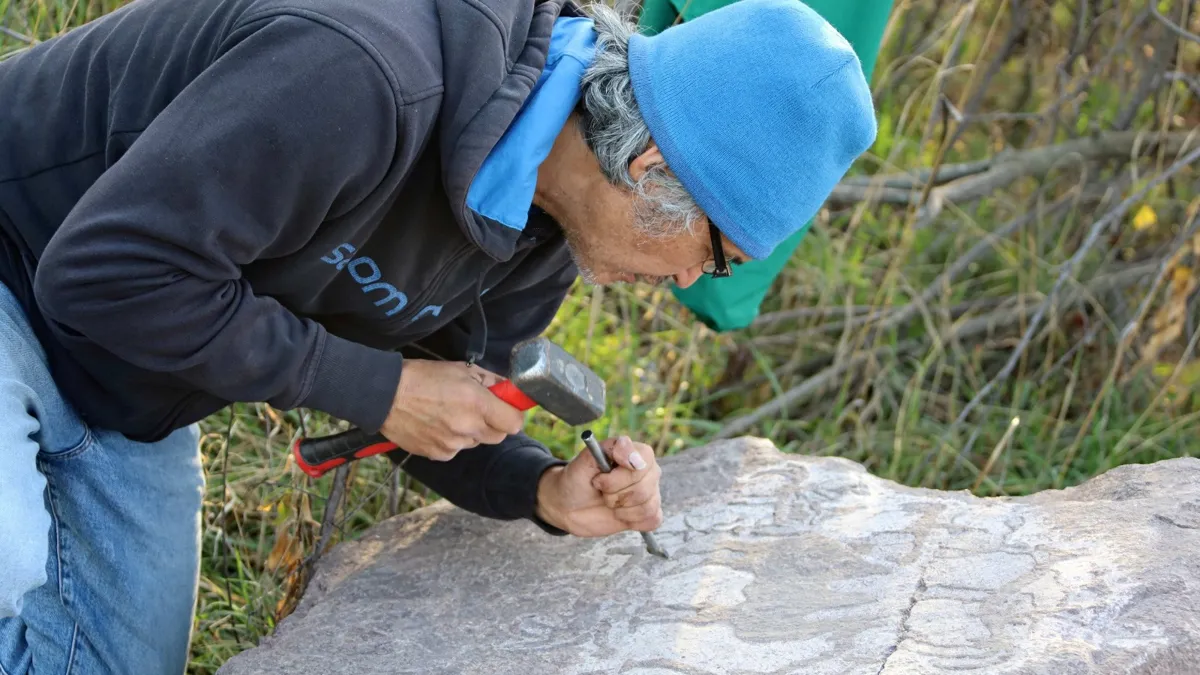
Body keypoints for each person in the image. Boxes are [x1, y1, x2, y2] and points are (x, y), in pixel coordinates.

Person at [0, 0, 876, 670]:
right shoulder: (368, 74)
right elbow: (99, 272)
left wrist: (542, 490)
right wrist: (375, 386)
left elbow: (434, 403)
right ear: (651, 169)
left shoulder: (542, 226)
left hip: (125, 382)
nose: (688, 281)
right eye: (714, 254)